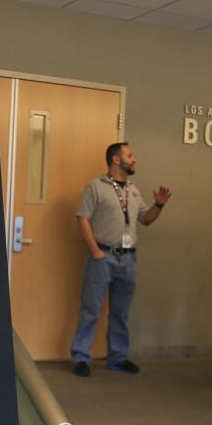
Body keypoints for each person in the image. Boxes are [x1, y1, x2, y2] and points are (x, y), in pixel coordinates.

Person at [70, 142, 171, 376]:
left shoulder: (133, 190)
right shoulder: (95, 187)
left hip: (128, 259)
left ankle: (117, 357)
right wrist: (95, 250)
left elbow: (146, 219)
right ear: (116, 160)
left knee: (121, 311)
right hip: (102, 256)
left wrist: (159, 205)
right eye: (130, 155)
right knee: (91, 309)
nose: (134, 159)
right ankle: (81, 358)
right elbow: (82, 218)